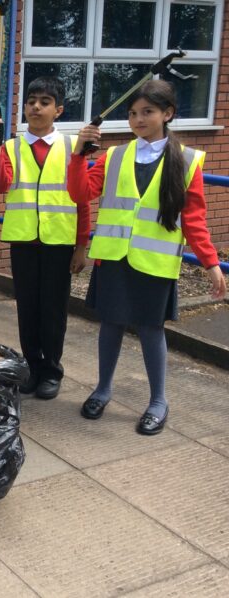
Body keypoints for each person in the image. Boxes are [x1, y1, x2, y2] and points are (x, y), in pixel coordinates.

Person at [69, 79, 226, 435]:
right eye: (132, 113)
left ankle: (158, 400)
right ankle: (102, 389)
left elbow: (194, 220)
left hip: (154, 263)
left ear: (167, 114)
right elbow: (79, 193)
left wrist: (211, 263)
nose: (138, 119)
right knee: (109, 325)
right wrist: (79, 154)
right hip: (114, 258)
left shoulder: (186, 161)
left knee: (150, 330)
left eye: (147, 112)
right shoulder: (114, 156)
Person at [0, 76, 89, 400]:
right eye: (31, 102)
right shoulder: (13, 146)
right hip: (24, 240)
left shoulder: (73, 147)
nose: (35, 107)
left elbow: (83, 199)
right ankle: (32, 366)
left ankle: (51, 370)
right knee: (28, 308)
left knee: (54, 310)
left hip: (59, 242)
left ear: (58, 110)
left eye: (44, 102)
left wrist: (81, 245)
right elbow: (0, 185)